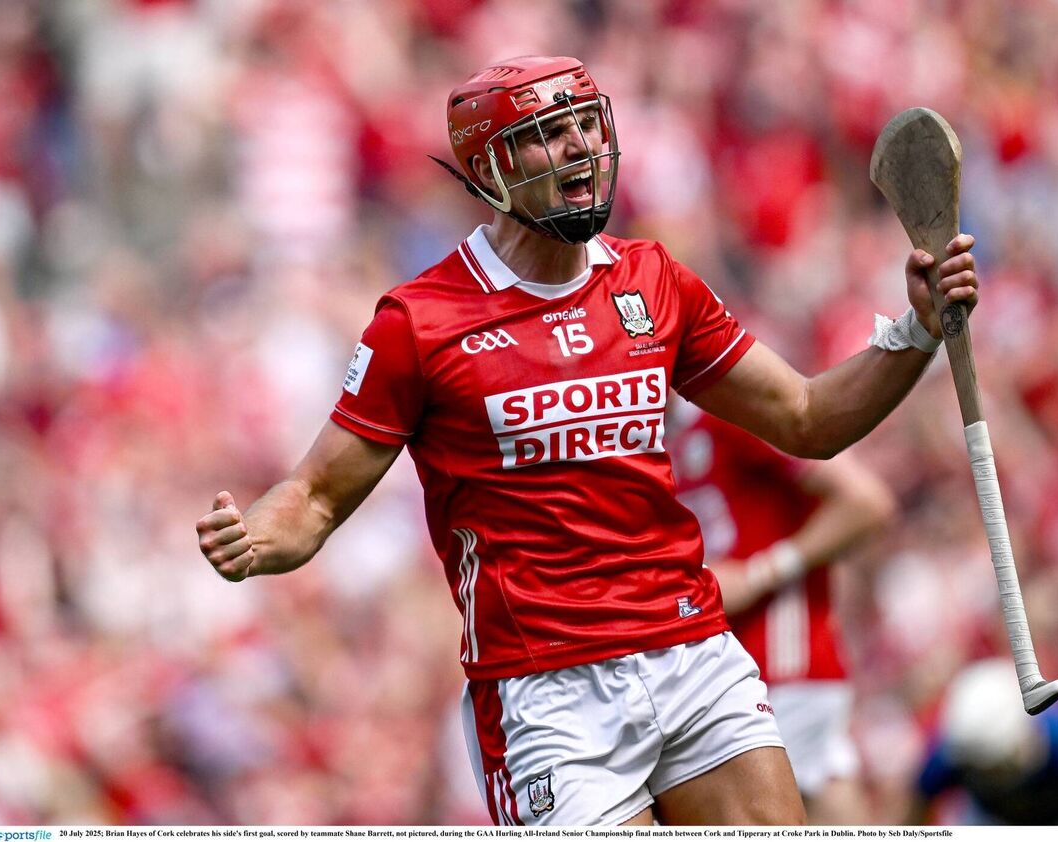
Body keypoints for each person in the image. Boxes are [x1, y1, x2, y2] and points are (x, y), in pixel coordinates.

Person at [196, 55, 980, 826]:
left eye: (586, 126)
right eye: (549, 133)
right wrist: (255, 535)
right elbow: (314, 497)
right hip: (548, 693)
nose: (581, 149)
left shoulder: (654, 282)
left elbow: (810, 419)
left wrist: (917, 327)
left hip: (691, 648)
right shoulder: (419, 322)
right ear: (490, 168)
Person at [669, 405, 895, 823]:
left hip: (784, 661)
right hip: (737, 665)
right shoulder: (646, 442)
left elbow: (866, 502)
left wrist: (759, 573)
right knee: (825, 790)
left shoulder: (731, 414)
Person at [908, 659, 1058, 826]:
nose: (988, 776)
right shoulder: (953, 755)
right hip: (995, 820)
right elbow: (919, 805)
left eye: (994, 767)